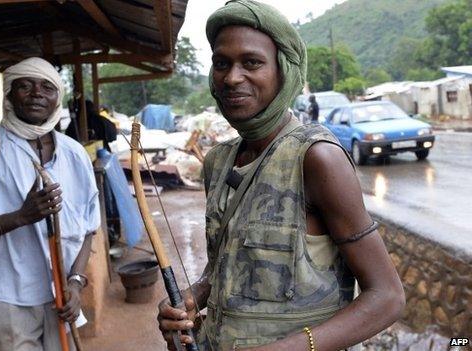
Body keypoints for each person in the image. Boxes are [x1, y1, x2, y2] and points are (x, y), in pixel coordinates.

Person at [156, 1, 405, 350]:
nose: (231, 77)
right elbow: (225, 266)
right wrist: (192, 298)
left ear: (283, 71)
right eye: (221, 63)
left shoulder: (317, 158)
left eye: (252, 62)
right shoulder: (218, 161)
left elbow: (388, 296)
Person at [0, 57, 100, 351]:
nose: (36, 94)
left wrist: (76, 282)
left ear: (58, 97)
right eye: (25, 86)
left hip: (62, 293)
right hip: (10, 295)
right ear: (9, 94)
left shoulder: (74, 153)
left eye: (47, 87)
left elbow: (88, 227)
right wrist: (21, 216)